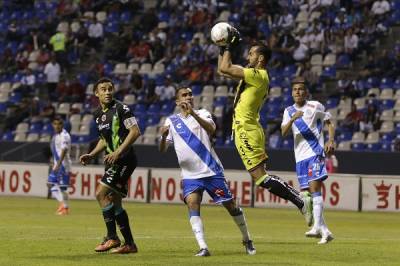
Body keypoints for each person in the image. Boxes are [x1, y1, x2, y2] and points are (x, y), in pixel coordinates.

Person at [217, 28, 312, 226]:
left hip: (247, 130)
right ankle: (301, 200)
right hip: (245, 129)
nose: (247, 56)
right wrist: (222, 48)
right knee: (260, 177)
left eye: (251, 53)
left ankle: (301, 201)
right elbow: (221, 69)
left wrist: (228, 46)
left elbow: (225, 68)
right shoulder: (253, 75)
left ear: (260, 58)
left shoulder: (258, 75)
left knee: (261, 178)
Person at [159, 87, 256, 257]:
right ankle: (203, 247)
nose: (188, 97)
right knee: (192, 204)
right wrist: (162, 137)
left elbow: (212, 130)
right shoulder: (172, 121)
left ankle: (247, 239)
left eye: (190, 94)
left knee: (231, 206)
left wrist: (193, 114)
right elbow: (162, 150)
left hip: (211, 170)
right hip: (190, 175)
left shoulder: (203, 113)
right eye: (184, 95)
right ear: (177, 101)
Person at [79, 78, 141, 254]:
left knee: (100, 193)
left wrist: (119, 151)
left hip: (124, 159)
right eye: (103, 89)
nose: (107, 92)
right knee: (115, 203)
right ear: (96, 93)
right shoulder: (98, 114)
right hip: (113, 160)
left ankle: (112, 237)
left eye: (110, 89)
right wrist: (92, 154)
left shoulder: (122, 109)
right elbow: (104, 140)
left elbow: (135, 131)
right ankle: (129, 244)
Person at [281, 77, 335, 244]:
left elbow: (329, 123)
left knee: (315, 189)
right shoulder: (288, 110)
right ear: (292, 93)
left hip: (315, 153)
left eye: (301, 89)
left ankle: (316, 227)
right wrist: (293, 118)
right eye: (295, 89)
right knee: (308, 195)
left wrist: (331, 140)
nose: (298, 91)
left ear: (306, 92)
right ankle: (325, 231)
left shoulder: (315, 105)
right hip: (300, 157)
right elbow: (283, 132)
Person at [47, 116, 72, 215]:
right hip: (57, 164)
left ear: (62, 125)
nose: (57, 126)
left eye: (59, 124)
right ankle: (63, 205)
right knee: (50, 183)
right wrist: (54, 161)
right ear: (53, 125)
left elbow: (64, 150)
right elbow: (56, 150)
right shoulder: (56, 135)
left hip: (63, 165)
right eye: (55, 124)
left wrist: (59, 163)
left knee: (62, 188)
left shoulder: (64, 135)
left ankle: (65, 208)